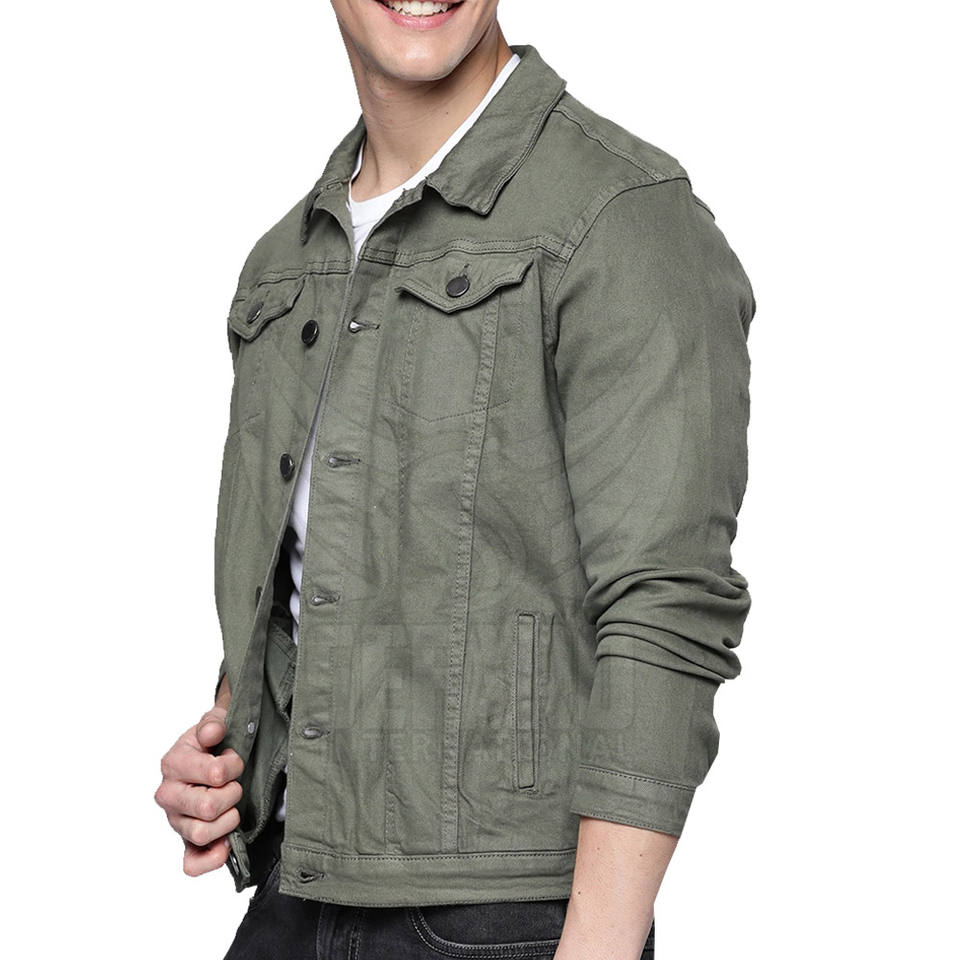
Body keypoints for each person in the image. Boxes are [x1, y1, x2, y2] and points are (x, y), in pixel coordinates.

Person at [154, 2, 756, 957]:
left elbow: (666, 610)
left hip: (511, 920)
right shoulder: (284, 265)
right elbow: (328, 590)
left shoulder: (623, 216)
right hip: (297, 899)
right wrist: (234, 749)